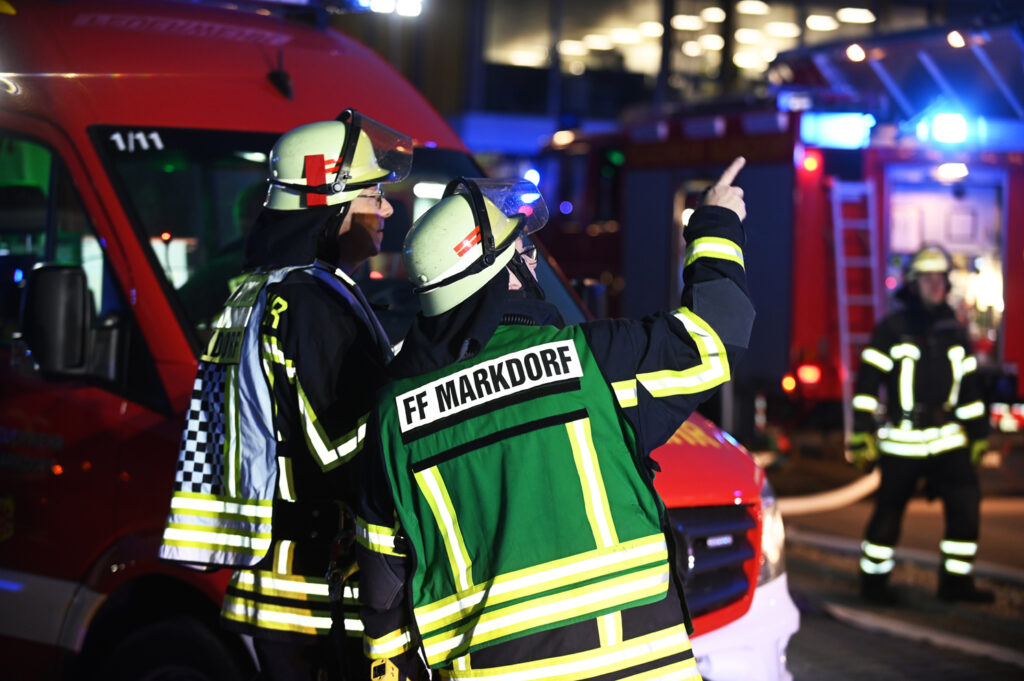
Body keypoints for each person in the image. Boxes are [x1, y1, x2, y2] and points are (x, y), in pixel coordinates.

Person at [355, 159, 752, 681]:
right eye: (524, 251)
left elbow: (382, 582)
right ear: (500, 275)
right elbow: (716, 334)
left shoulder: (392, 415)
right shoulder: (593, 362)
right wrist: (717, 222)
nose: (534, 262)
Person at [159, 110, 412, 680]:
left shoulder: (268, 287)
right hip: (315, 593)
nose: (387, 210)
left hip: (279, 580)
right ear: (330, 204)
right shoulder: (307, 300)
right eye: (373, 194)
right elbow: (340, 451)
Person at [849, 245, 992, 605]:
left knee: (966, 505)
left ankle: (956, 584)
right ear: (913, 284)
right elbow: (867, 385)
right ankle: (873, 586)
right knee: (888, 514)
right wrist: (862, 430)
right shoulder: (892, 329)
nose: (936, 284)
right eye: (928, 278)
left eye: (940, 277)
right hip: (903, 440)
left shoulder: (954, 330)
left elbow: (969, 389)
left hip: (948, 439)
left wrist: (978, 434)